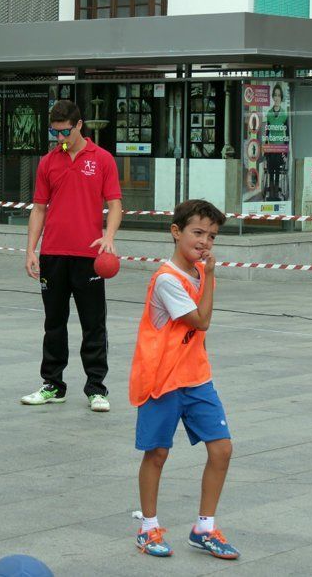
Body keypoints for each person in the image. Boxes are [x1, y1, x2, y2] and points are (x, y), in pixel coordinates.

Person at [130, 200, 239, 560]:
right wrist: (211, 276)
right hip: (162, 381)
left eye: (212, 236)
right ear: (176, 232)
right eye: (197, 232)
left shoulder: (195, 272)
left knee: (221, 448)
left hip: (196, 378)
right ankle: (148, 528)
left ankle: (204, 528)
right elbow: (201, 320)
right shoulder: (166, 279)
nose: (205, 241)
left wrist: (204, 274)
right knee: (157, 453)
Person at [21, 99, 122, 412]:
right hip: (53, 253)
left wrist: (108, 236)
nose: (61, 139)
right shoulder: (48, 162)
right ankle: (53, 384)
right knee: (54, 323)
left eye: (65, 132)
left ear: (80, 125)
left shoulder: (102, 159)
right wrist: (31, 250)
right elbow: (39, 209)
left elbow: (115, 203)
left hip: (88, 256)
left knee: (93, 324)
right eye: (55, 133)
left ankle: (96, 389)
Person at [263, 82, 289, 202]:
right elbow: (267, 132)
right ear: (273, 97)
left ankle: (275, 193)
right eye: (275, 95)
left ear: (281, 97)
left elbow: (287, 133)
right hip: (271, 147)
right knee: (270, 169)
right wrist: (265, 147)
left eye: (279, 95)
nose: (277, 97)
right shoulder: (269, 113)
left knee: (277, 169)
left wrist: (286, 149)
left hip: (280, 148)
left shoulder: (284, 114)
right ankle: (272, 191)